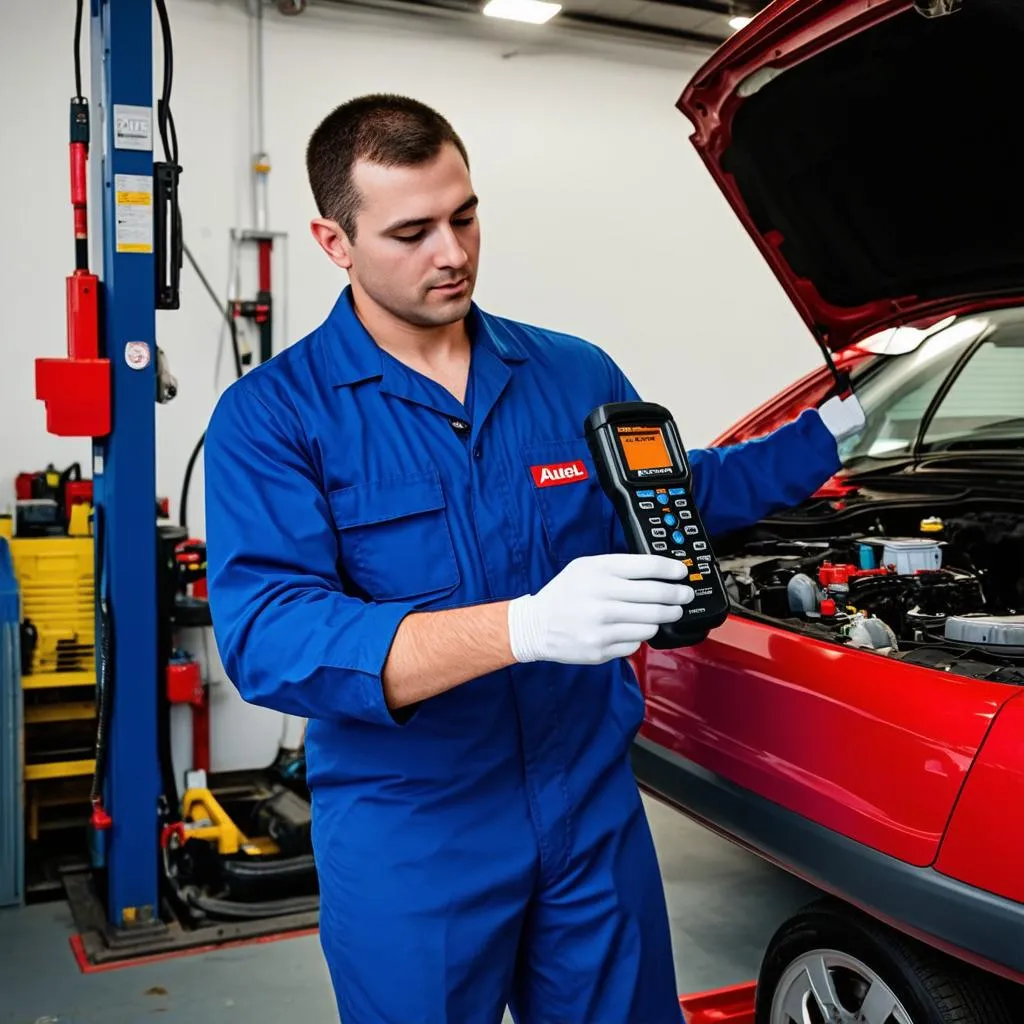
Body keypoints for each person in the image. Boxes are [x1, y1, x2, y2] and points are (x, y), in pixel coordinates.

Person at [203, 94, 865, 1024]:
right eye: (413, 230)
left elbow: (679, 492)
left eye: (466, 215)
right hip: (414, 833)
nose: (454, 252)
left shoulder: (572, 374)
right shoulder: (274, 416)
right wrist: (522, 627)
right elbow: (272, 634)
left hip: (589, 811)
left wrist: (829, 436)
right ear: (334, 241)